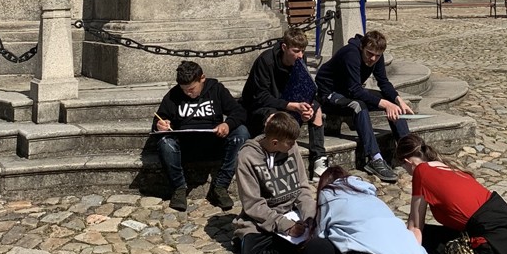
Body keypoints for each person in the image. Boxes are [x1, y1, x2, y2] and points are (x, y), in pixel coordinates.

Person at [314, 30, 412, 184]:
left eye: (377, 56)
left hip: (349, 92)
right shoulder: (350, 54)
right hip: (329, 94)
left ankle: (409, 151)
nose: (373, 59)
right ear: (362, 47)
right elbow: (355, 90)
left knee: (392, 103)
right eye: (369, 54)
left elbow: (383, 82)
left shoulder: (377, 55)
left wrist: (398, 100)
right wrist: (385, 104)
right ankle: (374, 158)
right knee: (358, 106)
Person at [153, 60, 248, 212]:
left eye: (191, 89)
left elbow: (239, 112)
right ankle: (179, 188)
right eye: (184, 90)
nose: (188, 93)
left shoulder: (216, 90)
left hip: (214, 142)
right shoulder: (174, 95)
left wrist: (227, 125)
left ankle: (220, 186)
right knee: (165, 141)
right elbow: (159, 118)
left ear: (202, 78)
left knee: (241, 133)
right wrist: (160, 124)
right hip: (185, 146)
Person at [233, 111, 315, 254]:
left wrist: (310, 218)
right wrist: (285, 226)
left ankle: (302, 246)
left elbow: (303, 188)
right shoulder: (247, 157)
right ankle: (299, 250)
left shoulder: (291, 147)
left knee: (324, 239)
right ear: (275, 142)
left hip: (294, 213)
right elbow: (253, 204)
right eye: (290, 143)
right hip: (263, 219)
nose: (294, 145)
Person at [241, 26, 328, 179]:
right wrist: (291, 106)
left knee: (316, 109)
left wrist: (305, 108)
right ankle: (271, 158)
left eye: (303, 51)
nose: (300, 55)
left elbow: (301, 87)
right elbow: (261, 97)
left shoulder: (300, 60)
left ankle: (319, 158)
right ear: (284, 47)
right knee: (274, 118)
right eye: (296, 51)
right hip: (261, 106)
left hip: (288, 101)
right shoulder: (266, 61)